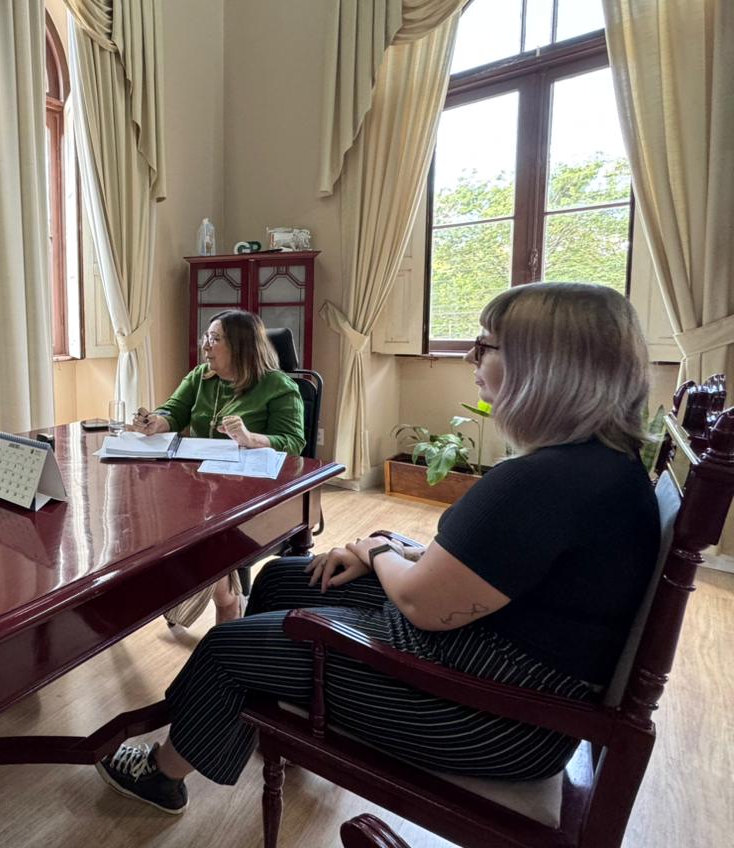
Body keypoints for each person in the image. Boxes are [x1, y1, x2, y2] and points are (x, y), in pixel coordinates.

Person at [97, 282, 659, 814]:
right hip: (506, 675)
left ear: (546, 365)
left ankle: (161, 773)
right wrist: (385, 545)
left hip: (491, 717)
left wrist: (378, 546)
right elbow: (483, 573)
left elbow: (421, 604)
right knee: (278, 579)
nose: (469, 356)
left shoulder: (541, 482)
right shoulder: (596, 467)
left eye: (485, 344)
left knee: (225, 646)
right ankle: (258, 719)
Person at [128, 309, 304, 624]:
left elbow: (293, 443)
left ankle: (223, 600)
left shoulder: (278, 386)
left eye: (214, 339)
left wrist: (251, 438)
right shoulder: (200, 377)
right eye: (206, 337)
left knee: (195, 535)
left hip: (252, 495)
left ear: (241, 346)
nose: (205, 346)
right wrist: (154, 422)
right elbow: (174, 412)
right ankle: (223, 593)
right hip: (200, 491)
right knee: (150, 516)